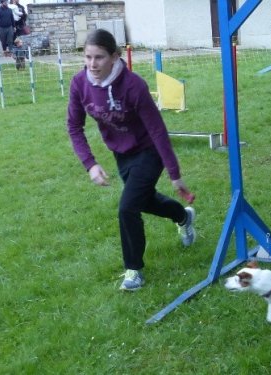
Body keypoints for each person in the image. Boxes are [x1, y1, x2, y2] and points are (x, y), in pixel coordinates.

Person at [67, 29, 196, 292]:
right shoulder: (79, 83)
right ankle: (183, 217)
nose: (92, 64)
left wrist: (174, 173)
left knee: (127, 207)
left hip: (149, 152)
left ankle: (133, 271)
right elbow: (74, 127)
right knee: (144, 201)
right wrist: (90, 164)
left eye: (99, 58)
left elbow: (158, 130)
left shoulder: (133, 85)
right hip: (121, 154)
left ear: (114, 56)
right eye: (88, 57)